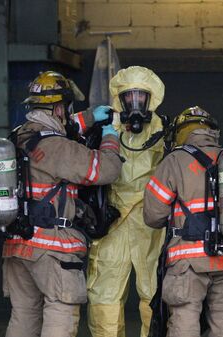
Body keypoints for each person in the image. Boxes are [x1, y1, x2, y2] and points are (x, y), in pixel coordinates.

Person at [2, 71, 123, 337]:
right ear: (58, 107)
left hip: (18, 246)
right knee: (60, 312)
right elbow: (105, 170)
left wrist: (90, 117)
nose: (69, 113)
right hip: (52, 250)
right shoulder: (58, 147)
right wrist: (110, 138)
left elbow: (60, 128)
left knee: (23, 316)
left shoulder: (18, 137)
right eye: (66, 108)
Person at [143, 106, 223, 337]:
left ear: (181, 132)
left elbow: (153, 215)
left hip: (188, 260)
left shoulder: (175, 161)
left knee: (185, 319)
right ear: (212, 132)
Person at [87, 66, 167, 337]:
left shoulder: (165, 132)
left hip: (151, 222)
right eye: (128, 96)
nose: (134, 103)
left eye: (140, 97)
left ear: (151, 99)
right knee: (104, 292)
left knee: (154, 290)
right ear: (118, 100)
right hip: (113, 221)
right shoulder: (104, 130)